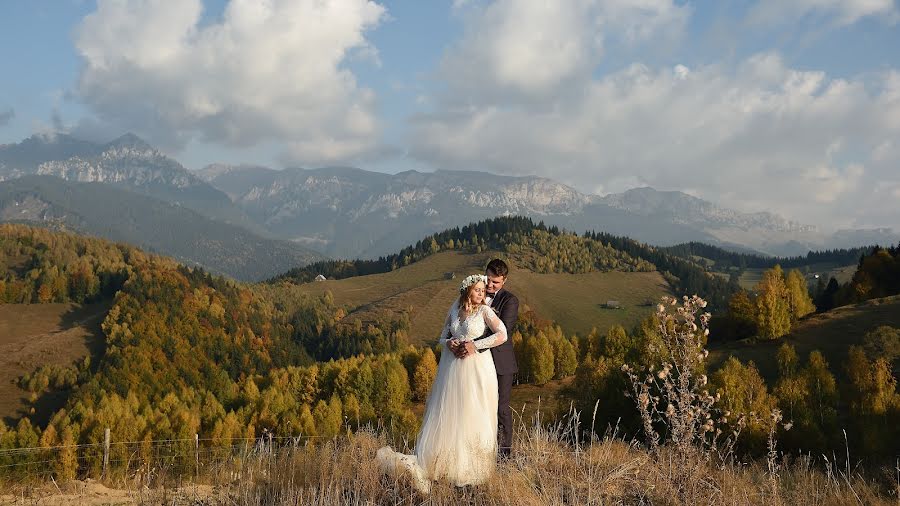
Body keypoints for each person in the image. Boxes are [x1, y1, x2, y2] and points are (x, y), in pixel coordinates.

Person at [376, 273, 508, 493]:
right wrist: (450, 342)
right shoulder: (455, 309)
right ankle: (445, 463)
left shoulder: (485, 311)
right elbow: (441, 336)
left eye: (483, 291)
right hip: (453, 369)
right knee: (451, 412)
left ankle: (471, 467)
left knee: (472, 412)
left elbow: (502, 334)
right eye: (477, 290)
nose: (481, 293)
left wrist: (474, 345)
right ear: (467, 290)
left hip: (477, 369)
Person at [450, 258, 518, 459]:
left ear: (504, 281)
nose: (489, 285)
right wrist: (457, 341)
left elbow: (504, 330)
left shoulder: (510, 300)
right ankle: (478, 452)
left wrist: (470, 344)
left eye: (495, 282)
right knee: (475, 406)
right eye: (488, 279)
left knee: (500, 409)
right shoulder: (473, 294)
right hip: (474, 365)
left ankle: (504, 456)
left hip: (500, 363)